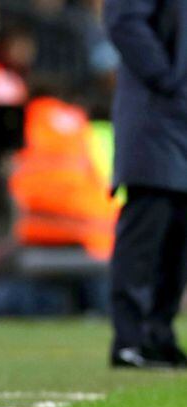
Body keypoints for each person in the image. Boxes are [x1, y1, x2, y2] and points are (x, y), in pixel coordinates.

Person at [105, 0, 187, 368]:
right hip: (155, 117)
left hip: (176, 116)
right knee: (147, 230)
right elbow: (124, 22)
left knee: (178, 240)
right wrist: (168, 79)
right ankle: (131, 338)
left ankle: (158, 334)